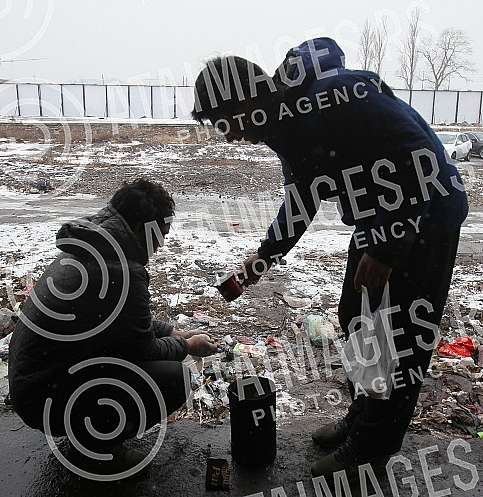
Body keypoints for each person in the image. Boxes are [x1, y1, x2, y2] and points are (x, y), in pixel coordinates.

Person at [191, 38, 468, 484]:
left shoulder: (338, 97)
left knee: (400, 337)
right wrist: (261, 260)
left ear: (247, 98)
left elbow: (419, 158)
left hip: (427, 217)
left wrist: (386, 250)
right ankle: (362, 416)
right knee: (357, 317)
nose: (230, 135)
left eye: (227, 121)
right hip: (378, 221)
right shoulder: (283, 125)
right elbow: (302, 198)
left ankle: (372, 447)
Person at [8, 178, 219, 478]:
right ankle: (97, 450)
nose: (159, 246)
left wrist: (173, 332)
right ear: (138, 230)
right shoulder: (121, 270)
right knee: (174, 379)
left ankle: (85, 431)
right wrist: (189, 346)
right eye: (160, 235)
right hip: (43, 396)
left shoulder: (94, 246)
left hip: (36, 384)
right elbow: (140, 349)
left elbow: (126, 324)